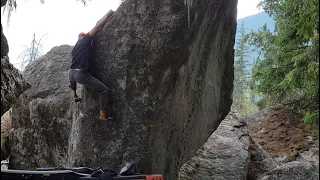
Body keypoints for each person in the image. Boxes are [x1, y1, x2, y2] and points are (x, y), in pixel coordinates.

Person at [68, 10, 114, 120]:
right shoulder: (85, 40)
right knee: (104, 90)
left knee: (81, 81)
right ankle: (103, 114)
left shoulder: (75, 48)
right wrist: (108, 14)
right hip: (81, 74)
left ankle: (75, 96)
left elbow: (72, 74)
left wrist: (74, 93)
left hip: (72, 72)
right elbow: (97, 26)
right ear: (82, 37)